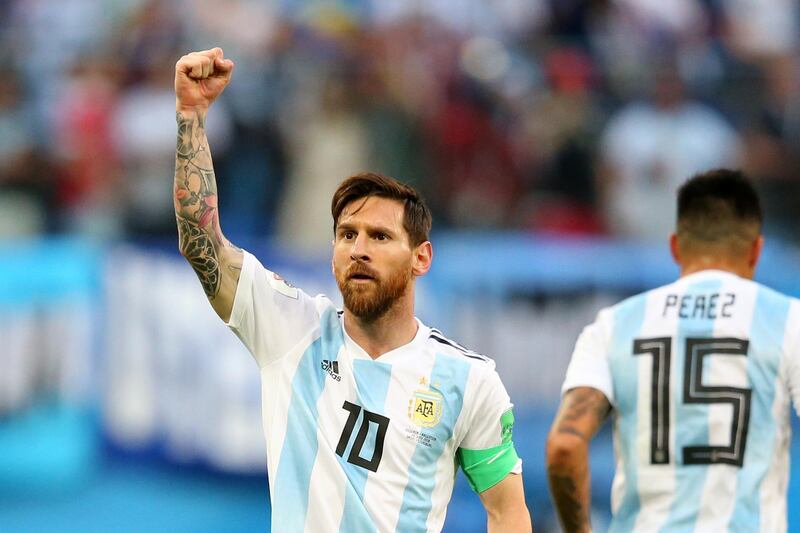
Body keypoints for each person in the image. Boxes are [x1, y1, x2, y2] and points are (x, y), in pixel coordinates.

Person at [172, 47, 532, 533]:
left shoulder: (469, 381)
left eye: (380, 237)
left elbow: (507, 511)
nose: (358, 249)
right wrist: (191, 116)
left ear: (420, 258)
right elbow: (203, 243)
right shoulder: (290, 330)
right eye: (347, 234)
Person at [546, 168, 800, 532]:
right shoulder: (788, 320)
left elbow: (563, 447)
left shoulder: (614, 324)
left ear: (675, 247)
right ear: (756, 250)